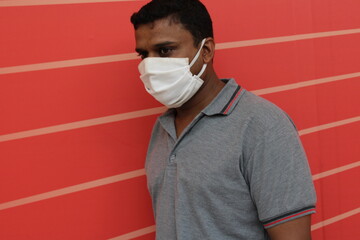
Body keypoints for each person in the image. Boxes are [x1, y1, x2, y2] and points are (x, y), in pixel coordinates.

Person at [130, 0, 317, 239]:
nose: (151, 65)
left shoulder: (263, 126)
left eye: (165, 50)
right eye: (144, 54)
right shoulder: (162, 128)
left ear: (206, 50)